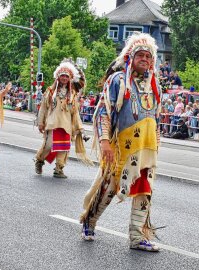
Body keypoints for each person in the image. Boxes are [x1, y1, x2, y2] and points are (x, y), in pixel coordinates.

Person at [79, 33, 162, 252]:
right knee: (110, 187)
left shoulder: (154, 85)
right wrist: (105, 141)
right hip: (122, 146)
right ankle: (90, 220)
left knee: (144, 189)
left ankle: (137, 236)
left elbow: (157, 117)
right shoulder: (117, 81)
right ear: (130, 57)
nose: (145, 59)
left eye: (148, 56)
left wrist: (157, 142)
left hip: (147, 148)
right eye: (140, 55)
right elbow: (103, 113)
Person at [34, 59, 91, 178]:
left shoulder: (72, 94)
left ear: (70, 78)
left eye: (66, 76)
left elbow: (75, 113)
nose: (64, 78)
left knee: (64, 147)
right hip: (52, 123)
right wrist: (40, 122)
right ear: (58, 77)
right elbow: (43, 107)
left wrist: (80, 128)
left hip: (66, 125)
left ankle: (59, 168)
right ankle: (39, 160)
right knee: (49, 145)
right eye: (62, 76)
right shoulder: (51, 91)